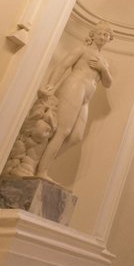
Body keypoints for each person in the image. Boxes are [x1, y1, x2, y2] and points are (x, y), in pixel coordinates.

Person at [34, 22, 115, 180]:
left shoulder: (104, 60)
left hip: (86, 96)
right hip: (74, 86)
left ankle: (41, 163)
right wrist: (50, 85)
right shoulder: (82, 49)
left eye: (107, 35)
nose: (103, 36)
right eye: (101, 33)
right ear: (93, 34)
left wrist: (103, 69)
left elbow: (108, 83)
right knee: (62, 130)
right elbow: (63, 66)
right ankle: (41, 171)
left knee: (75, 136)